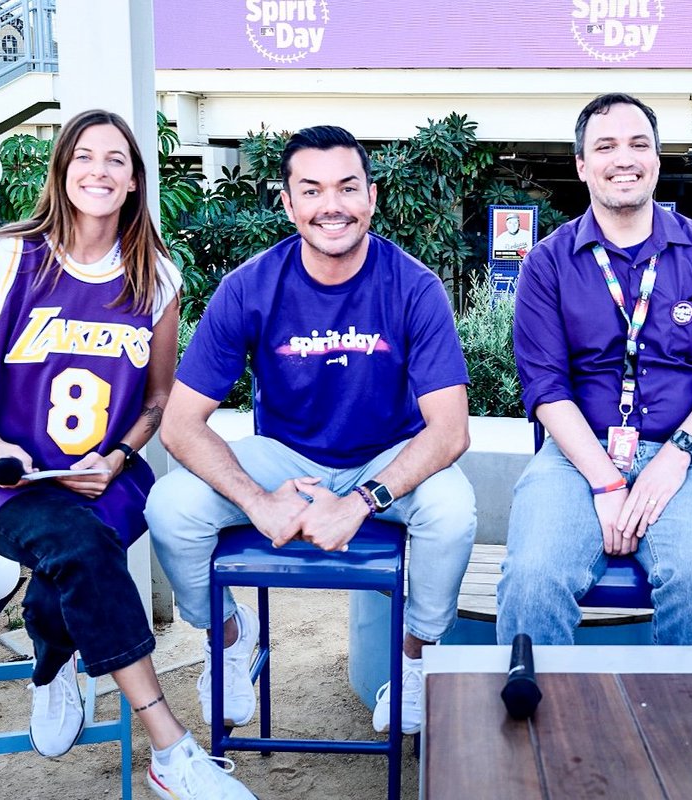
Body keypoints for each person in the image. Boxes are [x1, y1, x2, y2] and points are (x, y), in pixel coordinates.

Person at [0, 109, 255, 800]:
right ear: (63, 171)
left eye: (115, 160)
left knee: (77, 555)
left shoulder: (155, 277)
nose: (98, 171)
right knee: (77, 548)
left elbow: (159, 399)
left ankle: (53, 667)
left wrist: (118, 456)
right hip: (1, 478)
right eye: (84, 156)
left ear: (135, 181)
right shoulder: (7, 257)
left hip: (102, 475)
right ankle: (170, 747)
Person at [144, 125, 476, 737]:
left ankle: (413, 660)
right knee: (171, 506)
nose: (333, 205)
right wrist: (258, 501)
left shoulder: (415, 286)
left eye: (348, 187)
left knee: (454, 511)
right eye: (313, 190)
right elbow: (182, 424)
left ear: (372, 197)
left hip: (386, 460)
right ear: (289, 203)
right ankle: (230, 635)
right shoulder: (249, 286)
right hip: (285, 461)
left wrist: (360, 502)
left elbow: (450, 432)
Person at [495, 93, 692, 647]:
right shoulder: (547, 262)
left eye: (640, 144)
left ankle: (673, 729)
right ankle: (539, 729)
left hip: (691, 454)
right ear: (582, 166)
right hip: (575, 455)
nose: (625, 158)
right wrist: (607, 479)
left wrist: (676, 455)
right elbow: (545, 387)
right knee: (532, 582)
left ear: (658, 161)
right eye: (606, 146)